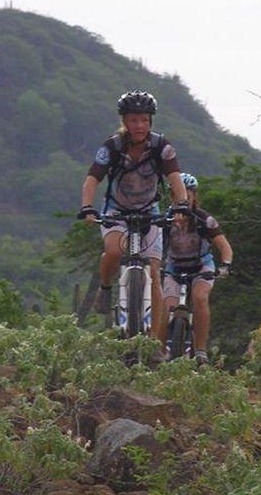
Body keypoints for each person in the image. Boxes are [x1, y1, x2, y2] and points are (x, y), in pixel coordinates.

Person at [78, 90, 189, 351]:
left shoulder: (162, 146)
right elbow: (92, 178)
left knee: (154, 273)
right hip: (117, 210)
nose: (139, 126)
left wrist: (181, 205)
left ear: (150, 121)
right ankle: (106, 288)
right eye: (133, 120)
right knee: (114, 251)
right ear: (124, 122)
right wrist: (87, 207)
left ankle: (157, 344)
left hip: (149, 211)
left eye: (144, 120)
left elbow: (175, 178)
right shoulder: (112, 146)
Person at [159, 172, 233, 365]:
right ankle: (157, 351)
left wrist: (225, 266)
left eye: (186, 194)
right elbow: (153, 245)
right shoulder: (164, 220)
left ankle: (200, 350)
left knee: (200, 299)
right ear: (171, 197)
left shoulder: (204, 219)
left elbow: (224, 247)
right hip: (174, 267)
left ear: (193, 196)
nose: (182, 198)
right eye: (176, 194)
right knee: (166, 307)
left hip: (201, 267)